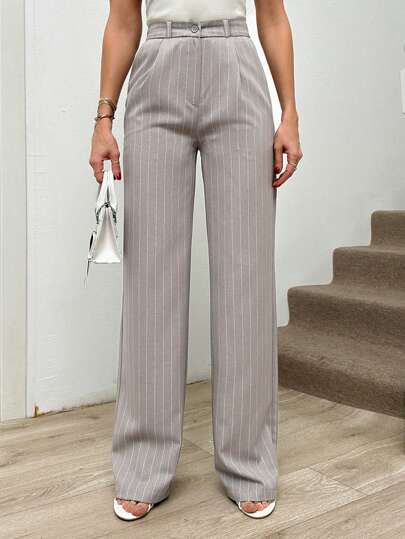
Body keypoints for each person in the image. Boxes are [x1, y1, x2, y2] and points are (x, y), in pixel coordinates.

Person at [89, 0, 303, 522]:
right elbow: (123, 21)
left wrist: (290, 110)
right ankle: (144, 463)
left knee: (247, 277)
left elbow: (273, 16)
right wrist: (103, 118)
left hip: (237, 68)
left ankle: (249, 463)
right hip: (157, 71)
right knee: (150, 281)